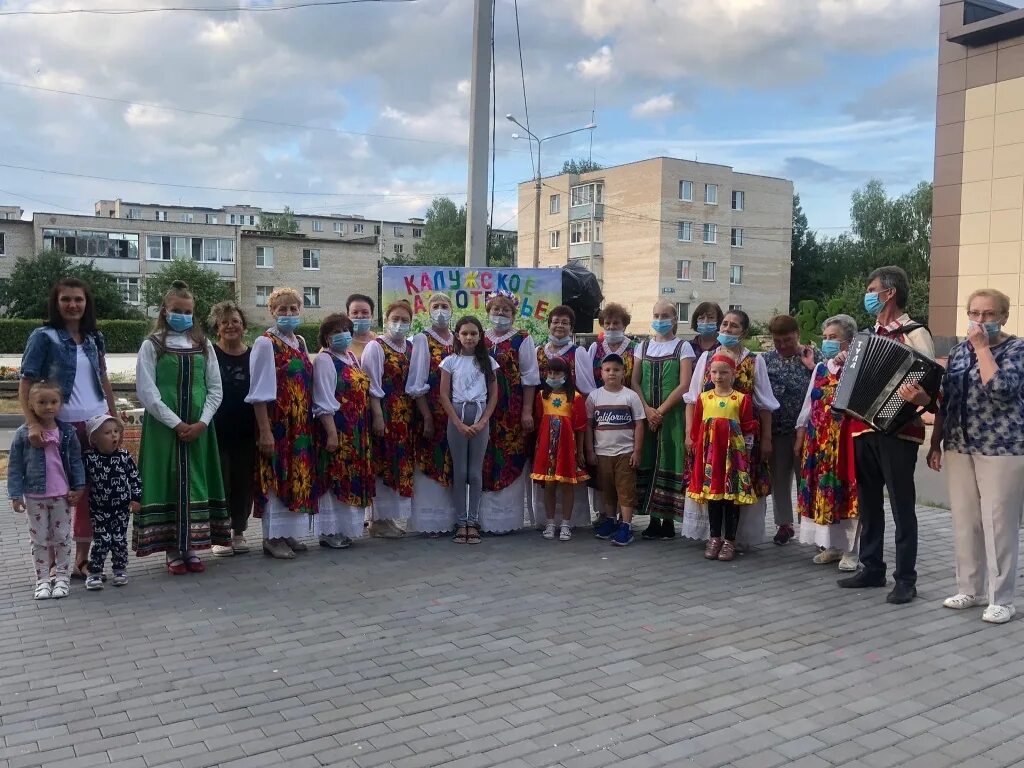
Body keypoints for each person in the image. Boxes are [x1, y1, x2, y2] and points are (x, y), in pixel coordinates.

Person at [923, 289, 1024, 624]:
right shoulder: (957, 351)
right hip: (960, 445)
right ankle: (970, 587)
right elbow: (947, 399)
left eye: (989, 314)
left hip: (1002, 448)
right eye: (976, 313)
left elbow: (1001, 390)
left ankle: (1002, 598)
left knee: (998, 523)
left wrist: (982, 348)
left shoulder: (1017, 350)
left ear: (1004, 317)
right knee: (966, 521)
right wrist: (936, 440)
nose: (981, 321)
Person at [838, 266, 935, 604]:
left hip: (898, 430)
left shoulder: (914, 333)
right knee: (868, 502)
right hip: (861, 427)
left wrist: (911, 398)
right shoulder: (867, 335)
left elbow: (928, 381)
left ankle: (906, 579)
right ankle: (872, 567)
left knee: (901, 505)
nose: (869, 293)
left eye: (873, 288)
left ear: (890, 293)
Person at [20, 278, 116, 579]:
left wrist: (114, 418)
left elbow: (103, 379)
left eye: (79, 299)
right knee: (56, 495)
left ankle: (81, 560)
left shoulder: (94, 338)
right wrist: (33, 422)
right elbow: (26, 383)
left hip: (96, 425)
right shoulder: (43, 337)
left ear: (86, 303)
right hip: (59, 428)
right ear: (57, 303)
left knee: (90, 494)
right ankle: (52, 560)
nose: (73, 305)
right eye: (66, 299)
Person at [135, 281, 230, 574]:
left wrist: (202, 422)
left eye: (187, 311)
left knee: (195, 480)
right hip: (164, 429)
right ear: (165, 310)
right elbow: (147, 391)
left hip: (200, 429)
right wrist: (176, 423)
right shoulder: (152, 345)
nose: (182, 315)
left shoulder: (204, 345)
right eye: (177, 310)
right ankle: (171, 550)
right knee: (168, 481)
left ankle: (190, 547)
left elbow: (215, 388)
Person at [683, 309, 780, 545]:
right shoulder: (707, 359)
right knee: (711, 483)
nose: (727, 329)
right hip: (709, 439)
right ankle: (712, 535)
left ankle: (735, 537)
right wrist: (690, 434)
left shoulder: (754, 361)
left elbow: (764, 403)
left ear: (744, 331)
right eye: (724, 324)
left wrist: (766, 438)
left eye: (733, 326)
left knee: (738, 485)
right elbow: (693, 399)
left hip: (740, 439)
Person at [247, 287, 322, 560]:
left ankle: (288, 532)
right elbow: (258, 391)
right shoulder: (265, 343)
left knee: (295, 477)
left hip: (300, 423)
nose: (289, 314)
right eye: (283, 309)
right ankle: (271, 538)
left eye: (293, 309)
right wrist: (265, 431)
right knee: (275, 476)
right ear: (272, 312)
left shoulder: (299, 342)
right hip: (277, 423)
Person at [794, 315, 860, 571]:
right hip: (818, 442)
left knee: (846, 495)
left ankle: (851, 551)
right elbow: (809, 404)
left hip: (843, 442)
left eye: (834, 337)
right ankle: (831, 545)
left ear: (849, 341)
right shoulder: (822, 367)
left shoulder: (855, 367)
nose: (828, 342)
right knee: (823, 494)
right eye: (826, 337)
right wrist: (801, 433)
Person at [8, 380, 85, 600]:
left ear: (60, 404)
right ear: (31, 405)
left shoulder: (67, 433)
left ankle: (62, 577)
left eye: (53, 402)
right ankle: (42, 580)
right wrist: (15, 495)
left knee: (62, 538)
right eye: (42, 402)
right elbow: (15, 466)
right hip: (34, 497)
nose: (48, 406)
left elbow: (76, 462)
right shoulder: (24, 435)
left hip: (61, 496)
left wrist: (78, 487)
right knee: (39, 539)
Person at [479, 291, 539, 534]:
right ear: (489, 312)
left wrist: (526, 410)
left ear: (513, 314)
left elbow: (530, 377)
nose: (500, 314)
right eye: (496, 309)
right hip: (484, 410)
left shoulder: (522, 339)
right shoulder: (481, 338)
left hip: (511, 410)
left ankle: (507, 520)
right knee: (485, 458)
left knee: (510, 458)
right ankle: (484, 519)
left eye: (505, 310)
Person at [687, 355, 758, 562]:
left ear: (734, 374)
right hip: (710, 456)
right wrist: (695, 447)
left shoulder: (741, 399)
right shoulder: (703, 398)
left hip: (733, 456)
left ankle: (730, 540)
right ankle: (714, 537)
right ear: (709, 374)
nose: (718, 376)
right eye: (715, 372)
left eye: (724, 372)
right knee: (714, 497)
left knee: (731, 498)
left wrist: (747, 453)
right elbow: (698, 427)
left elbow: (747, 428)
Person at [530, 304, 595, 529]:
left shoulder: (579, 352)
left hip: (569, 419)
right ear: (549, 324)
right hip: (545, 420)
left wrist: (584, 438)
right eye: (556, 321)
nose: (559, 325)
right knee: (546, 476)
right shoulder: (539, 351)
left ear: (571, 327)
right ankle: (546, 521)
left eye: (565, 322)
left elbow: (586, 390)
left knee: (567, 476)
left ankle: (570, 521)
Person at [313, 313, 375, 549]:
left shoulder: (350, 356)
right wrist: (331, 433)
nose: (342, 335)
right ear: (327, 337)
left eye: (345, 330)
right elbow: (323, 398)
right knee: (334, 478)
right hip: (337, 429)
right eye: (335, 332)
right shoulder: (325, 360)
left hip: (357, 429)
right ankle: (329, 531)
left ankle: (345, 528)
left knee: (349, 478)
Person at [632, 299, 691, 540]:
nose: (659, 319)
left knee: (670, 461)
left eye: (665, 315)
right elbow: (634, 381)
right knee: (649, 461)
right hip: (647, 416)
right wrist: (646, 409)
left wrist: (661, 411)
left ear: (675, 319)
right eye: (656, 315)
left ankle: (668, 521)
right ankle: (653, 520)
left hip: (673, 416)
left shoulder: (683, 347)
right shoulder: (642, 347)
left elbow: (685, 383)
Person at [762, 314, 822, 545]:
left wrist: (811, 367)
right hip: (777, 430)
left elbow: (824, 385)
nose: (783, 345)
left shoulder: (813, 356)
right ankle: (784, 524)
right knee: (779, 478)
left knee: (807, 480)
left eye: (787, 340)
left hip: (808, 432)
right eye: (778, 341)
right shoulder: (766, 360)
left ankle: (809, 524)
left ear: (797, 334)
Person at [440, 316, 499, 544]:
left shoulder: (489, 363)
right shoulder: (450, 362)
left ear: (480, 336)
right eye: (464, 333)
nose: (469, 337)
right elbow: (444, 394)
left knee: (474, 473)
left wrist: (483, 421)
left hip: (479, 415)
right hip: (457, 416)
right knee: (460, 471)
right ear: (457, 335)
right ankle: (460, 521)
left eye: (473, 333)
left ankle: (472, 521)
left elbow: (494, 394)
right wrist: (457, 422)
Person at [364, 299, 417, 535]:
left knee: (398, 464)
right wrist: (378, 416)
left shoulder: (411, 347)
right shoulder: (376, 346)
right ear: (386, 320)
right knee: (383, 464)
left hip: (405, 416)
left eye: (404, 320)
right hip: (385, 412)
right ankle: (377, 521)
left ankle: (388, 518)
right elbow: (371, 384)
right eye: (395, 319)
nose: (399, 324)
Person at [208, 300, 256, 557]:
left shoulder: (253, 354)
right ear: (217, 327)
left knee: (243, 482)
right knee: (220, 482)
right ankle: (220, 534)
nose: (230, 326)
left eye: (235, 321)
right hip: (217, 428)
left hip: (247, 428)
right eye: (224, 322)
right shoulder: (209, 354)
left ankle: (239, 531)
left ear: (243, 326)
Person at [407, 293, 456, 536]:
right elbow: (416, 383)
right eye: (435, 306)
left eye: (444, 306)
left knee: (451, 466)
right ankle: (430, 523)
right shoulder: (422, 339)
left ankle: (449, 520)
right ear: (428, 311)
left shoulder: (458, 339)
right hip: (432, 414)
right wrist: (426, 416)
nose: (440, 310)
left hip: (455, 416)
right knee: (430, 465)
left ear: (451, 310)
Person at [585, 354, 645, 547]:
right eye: (608, 370)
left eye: (616, 370)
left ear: (623, 373)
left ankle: (626, 525)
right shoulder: (594, 396)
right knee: (607, 489)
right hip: (602, 452)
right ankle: (610, 520)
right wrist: (590, 450)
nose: (612, 373)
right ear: (601, 373)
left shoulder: (630, 396)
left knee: (625, 490)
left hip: (625, 452)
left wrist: (637, 451)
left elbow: (639, 425)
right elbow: (588, 425)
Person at [531, 357, 589, 541]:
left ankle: (566, 523)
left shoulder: (576, 398)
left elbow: (580, 427)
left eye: (557, 373)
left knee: (566, 485)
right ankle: (549, 523)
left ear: (566, 375)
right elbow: (539, 421)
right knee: (548, 484)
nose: (553, 376)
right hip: (547, 446)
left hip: (566, 446)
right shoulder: (541, 396)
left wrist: (580, 451)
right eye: (550, 372)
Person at [82, 415, 141, 590]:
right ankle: (94, 572)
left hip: (121, 508)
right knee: (102, 540)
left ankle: (120, 569)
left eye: (116, 431)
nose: (114, 436)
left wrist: (136, 498)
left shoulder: (124, 456)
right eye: (107, 433)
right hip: (99, 509)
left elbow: (135, 478)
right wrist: (74, 491)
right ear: (94, 438)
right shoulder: (90, 458)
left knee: (119, 540)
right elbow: (80, 479)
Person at [346, 293, 378, 362]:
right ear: (348, 316)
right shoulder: (338, 343)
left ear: (372, 315)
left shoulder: (380, 342)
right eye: (355, 312)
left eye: (365, 312)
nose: (360, 316)